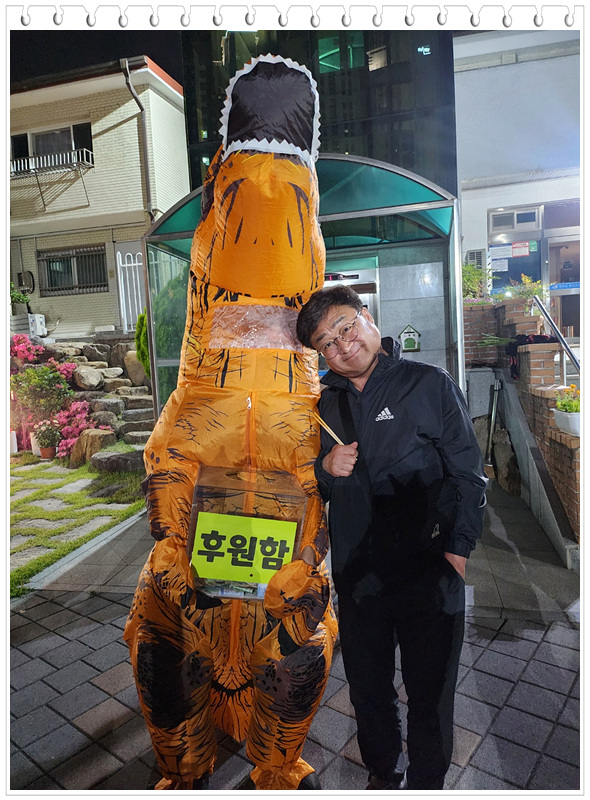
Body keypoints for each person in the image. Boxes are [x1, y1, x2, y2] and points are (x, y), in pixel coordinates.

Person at [296, 285, 487, 791]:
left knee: (431, 694)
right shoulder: (319, 406)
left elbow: (468, 474)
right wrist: (324, 468)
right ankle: (383, 773)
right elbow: (307, 486)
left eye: (346, 327)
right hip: (360, 577)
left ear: (367, 317)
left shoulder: (428, 384)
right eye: (326, 343)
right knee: (368, 690)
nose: (342, 345)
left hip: (430, 570)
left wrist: (457, 552)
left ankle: (427, 782)